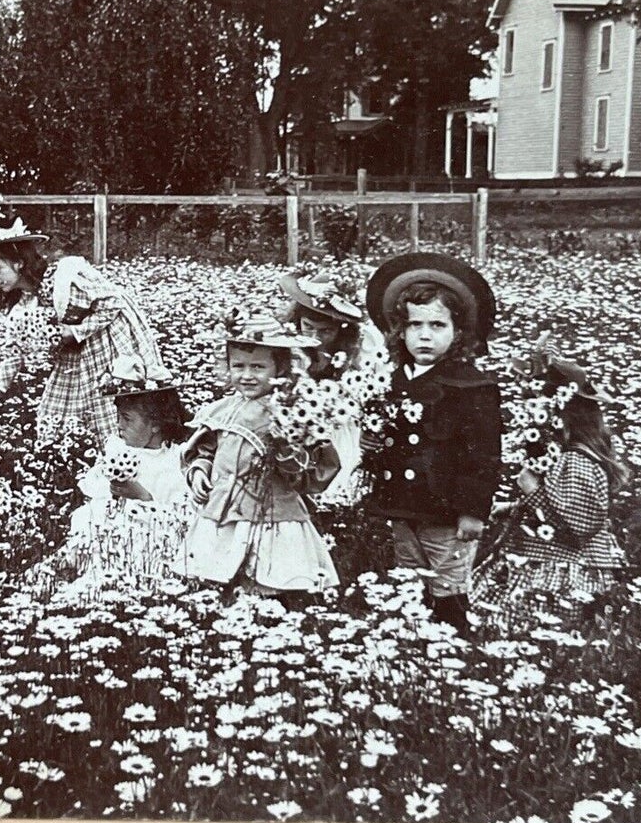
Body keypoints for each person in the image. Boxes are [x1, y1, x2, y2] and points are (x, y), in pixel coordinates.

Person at [363, 252, 502, 638]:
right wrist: (371, 442)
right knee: (409, 575)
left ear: (457, 333)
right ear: (399, 332)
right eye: (415, 325)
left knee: (448, 579)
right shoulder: (390, 383)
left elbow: (485, 457)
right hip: (404, 503)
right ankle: (412, 640)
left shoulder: (473, 387)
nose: (425, 335)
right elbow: (383, 433)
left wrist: (473, 511)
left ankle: (453, 641)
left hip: (446, 509)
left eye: (437, 325)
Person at [0, 196, 163, 447]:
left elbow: (112, 302)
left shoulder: (65, 278)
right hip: (71, 363)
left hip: (106, 354)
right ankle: (64, 468)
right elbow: (14, 353)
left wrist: (76, 332)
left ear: (18, 262)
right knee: (52, 422)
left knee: (112, 420)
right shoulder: (22, 306)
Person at [180, 311, 340, 599]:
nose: (247, 375)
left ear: (279, 369)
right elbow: (207, 449)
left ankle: (273, 614)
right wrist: (201, 470)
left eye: (258, 367)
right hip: (223, 512)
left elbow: (305, 470)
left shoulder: (288, 411)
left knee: (271, 577)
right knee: (218, 576)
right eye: (238, 366)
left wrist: (284, 446)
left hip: (272, 514)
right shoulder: (224, 409)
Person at [472, 357, 629, 632]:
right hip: (547, 558)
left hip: (561, 569)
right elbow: (560, 506)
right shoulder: (563, 457)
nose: (529, 416)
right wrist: (514, 507)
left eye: (535, 407)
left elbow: (578, 526)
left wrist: (532, 490)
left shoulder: (575, 461)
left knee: (532, 630)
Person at [59, 355, 192, 594]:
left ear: (156, 424)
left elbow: (180, 520)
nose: (119, 425)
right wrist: (110, 494)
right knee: (87, 517)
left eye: (127, 419)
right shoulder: (117, 449)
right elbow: (94, 495)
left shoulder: (174, 462)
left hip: (150, 542)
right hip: (110, 531)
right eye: (118, 417)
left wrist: (142, 498)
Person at [279, 272, 388, 508]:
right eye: (308, 327)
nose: (315, 338)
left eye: (325, 331)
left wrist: (373, 428)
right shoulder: (286, 343)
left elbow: (378, 391)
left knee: (339, 499)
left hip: (343, 431)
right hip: (296, 429)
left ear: (342, 329)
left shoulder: (361, 348)